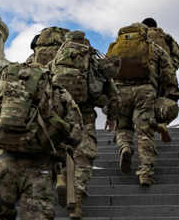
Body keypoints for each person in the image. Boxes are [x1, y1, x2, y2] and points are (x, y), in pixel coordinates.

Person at [0, 61, 82, 220]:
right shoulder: (58, 93)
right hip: (39, 167)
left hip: (2, 166)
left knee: (0, 216)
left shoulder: (1, 90)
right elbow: (76, 136)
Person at [48, 31, 120, 218]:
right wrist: (112, 116)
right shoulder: (93, 62)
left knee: (60, 148)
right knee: (84, 155)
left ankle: (61, 174)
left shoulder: (54, 61)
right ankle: (77, 201)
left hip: (59, 112)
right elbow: (113, 94)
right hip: (84, 113)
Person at [108, 22, 178, 186]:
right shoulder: (156, 49)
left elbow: (107, 74)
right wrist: (172, 96)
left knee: (123, 127)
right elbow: (170, 75)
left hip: (120, 92)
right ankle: (145, 173)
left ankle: (125, 147)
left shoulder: (116, 49)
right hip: (145, 92)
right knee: (144, 132)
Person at [142, 18, 179, 141]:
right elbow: (178, 55)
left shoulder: (139, 37)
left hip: (144, 76)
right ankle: (161, 123)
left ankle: (146, 134)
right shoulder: (165, 37)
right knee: (163, 103)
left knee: (145, 104)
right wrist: (171, 67)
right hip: (164, 75)